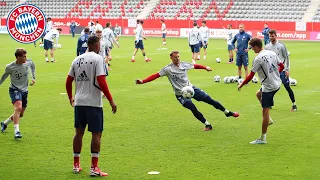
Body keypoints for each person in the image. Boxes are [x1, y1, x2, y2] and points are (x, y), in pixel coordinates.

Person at [135, 50, 239, 131]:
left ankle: (227, 112)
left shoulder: (184, 64)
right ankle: (207, 124)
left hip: (191, 89)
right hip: (180, 95)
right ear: (171, 58)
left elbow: (195, 66)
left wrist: (205, 67)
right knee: (192, 107)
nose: (177, 59)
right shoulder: (167, 69)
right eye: (175, 57)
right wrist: (142, 81)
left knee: (210, 100)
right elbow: (155, 76)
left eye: (178, 57)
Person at [65, 35, 117, 176]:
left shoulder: (77, 59)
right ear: (96, 45)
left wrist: (71, 97)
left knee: (78, 133)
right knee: (96, 134)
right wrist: (111, 100)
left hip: (79, 102)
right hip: (93, 103)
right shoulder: (98, 59)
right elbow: (101, 80)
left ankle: (76, 165)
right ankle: (94, 168)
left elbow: (68, 80)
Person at [238, 37, 284, 144]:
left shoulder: (258, 59)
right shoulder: (271, 53)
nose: (252, 50)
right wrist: (275, 74)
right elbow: (281, 65)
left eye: (252, 47)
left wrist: (242, 84)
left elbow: (250, 76)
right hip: (277, 83)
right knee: (258, 94)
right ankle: (269, 119)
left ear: (256, 46)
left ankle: (263, 138)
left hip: (269, 87)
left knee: (265, 112)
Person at [0, 48, 36, 138]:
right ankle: (17, 131)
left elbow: (33, 67)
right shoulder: (10, 67)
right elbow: (4, 75)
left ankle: (4, 123)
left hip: (25, 90)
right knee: (18, 107)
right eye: (24, 57)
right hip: (14, 89)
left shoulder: (28, 62)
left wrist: (33, 78)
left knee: (21, 113)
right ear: (18, 57)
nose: (25, 58)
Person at [265, 29, 297, 111]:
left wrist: (287, 69)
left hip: (282, 69)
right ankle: (270, 104)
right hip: (272, 70)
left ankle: (294, 104)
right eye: (270, 36)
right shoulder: (267, 46)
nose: (271, 38)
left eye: (272, 36)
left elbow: (286, 57)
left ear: (276, 36)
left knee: (286, 86)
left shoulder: (281, 46)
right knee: (271, 87)